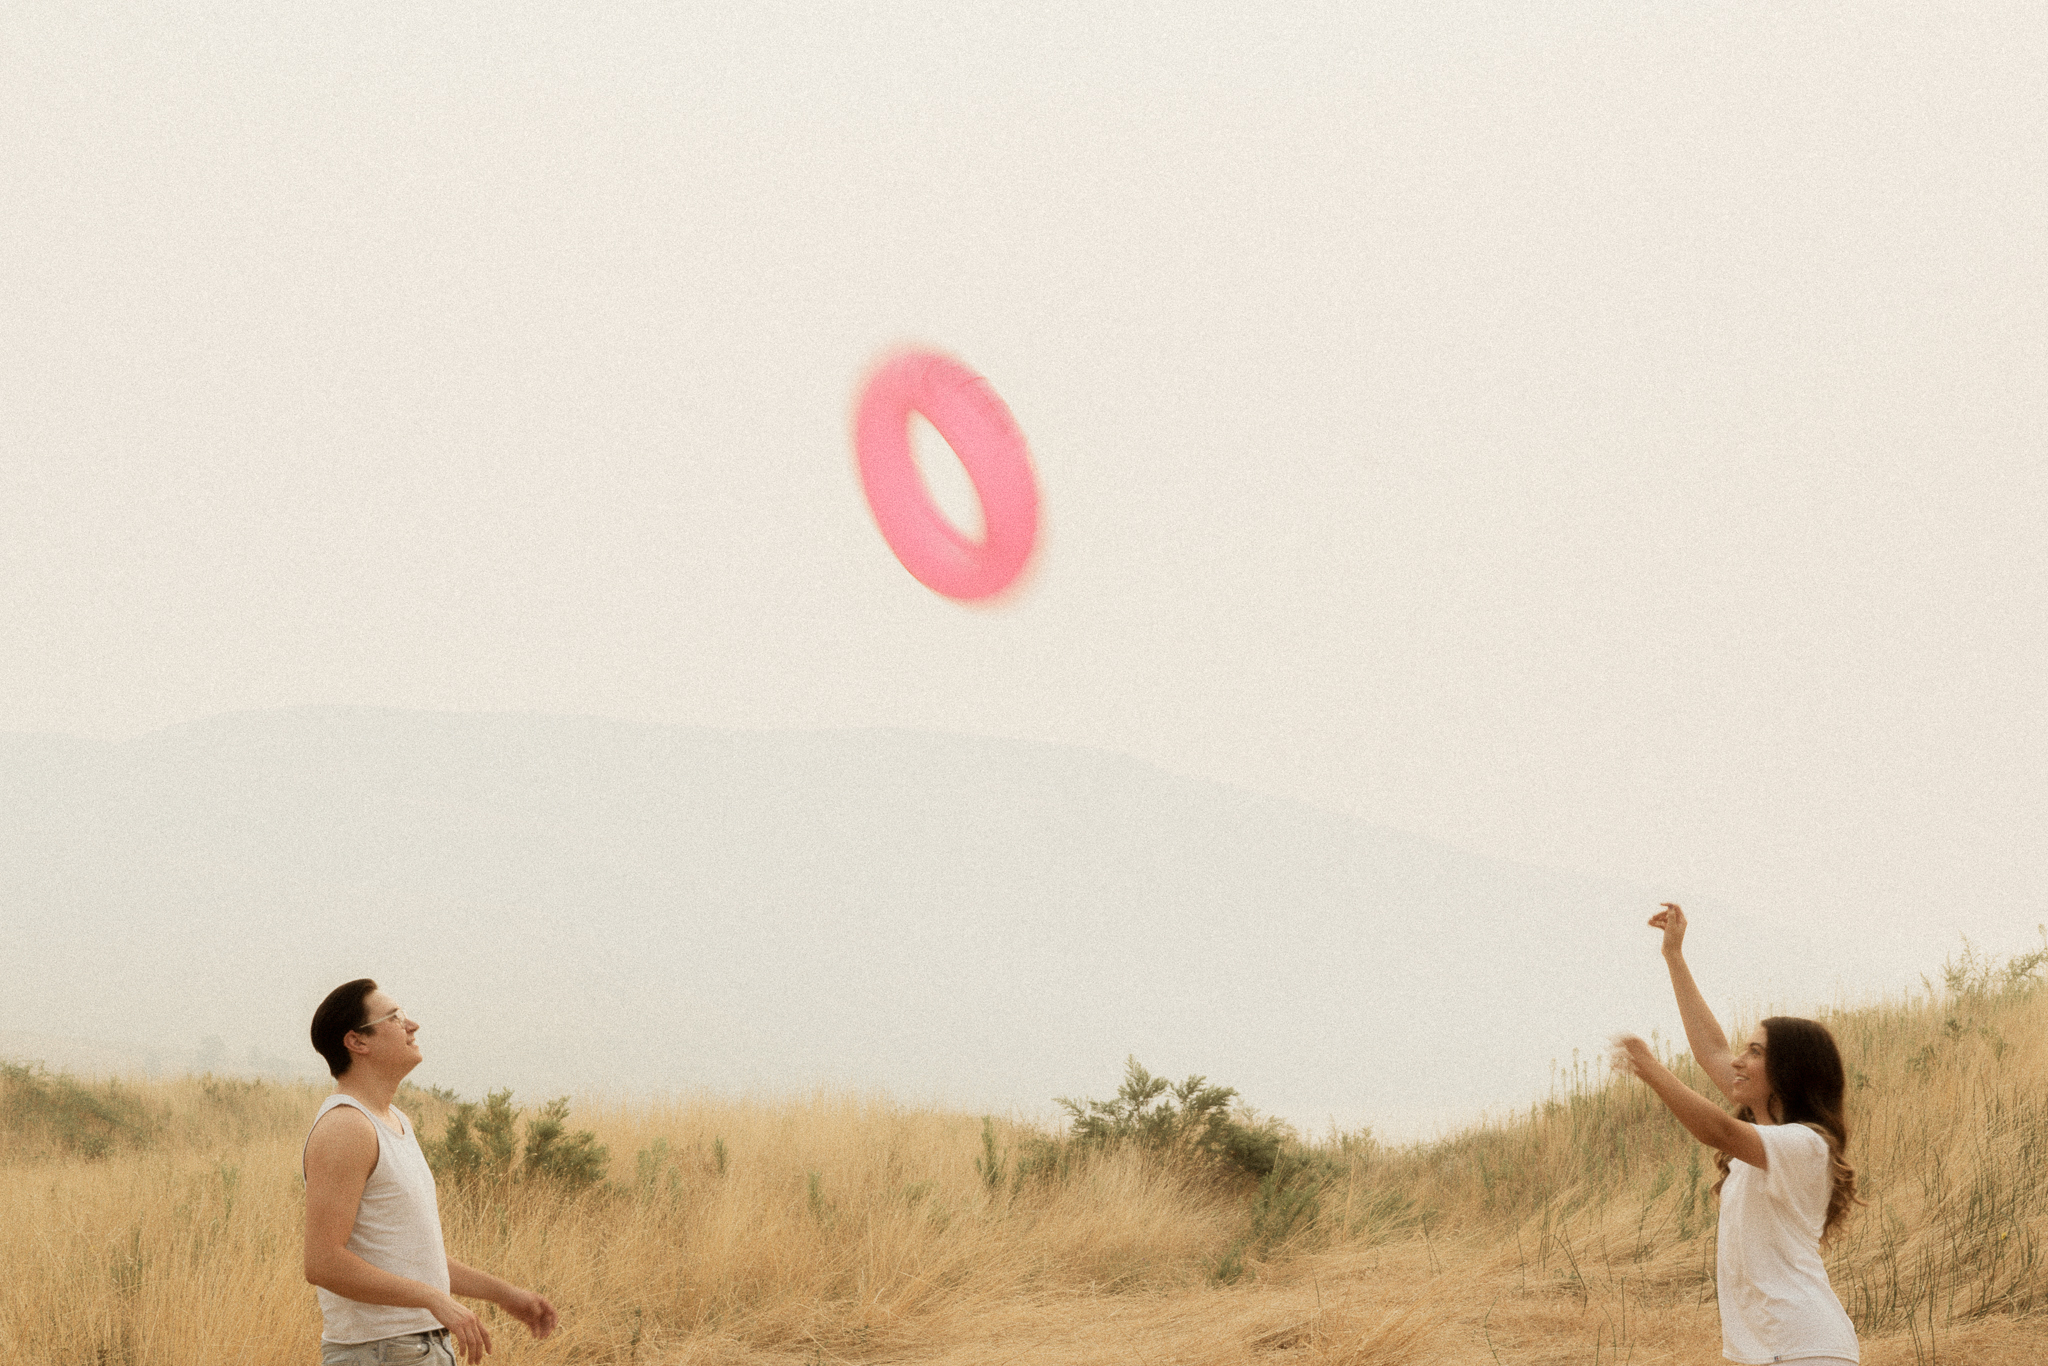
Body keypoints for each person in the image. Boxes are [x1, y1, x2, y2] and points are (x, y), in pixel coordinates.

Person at [1612, 904, 1860, 1366]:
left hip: (1807, 1348)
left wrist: (1650, 1068)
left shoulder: (1806, 1145)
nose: (1739, 1061)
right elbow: (1712, 1049)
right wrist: (1674, 956)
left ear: (1788, 1072)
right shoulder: (1764, 1142)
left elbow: (1717, 1128)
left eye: (1755, 1052)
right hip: (1767, 1351)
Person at [304, 979, 558, 1365]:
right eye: (395, 1017)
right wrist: (433, 1298)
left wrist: (506, 1295)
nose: (412, 1025)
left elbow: (416, 1262)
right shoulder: (347, 1127)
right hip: (380, 1352)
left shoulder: (395, 1121)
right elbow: (323, 1262)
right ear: (357, 1042)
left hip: (413, 1350)